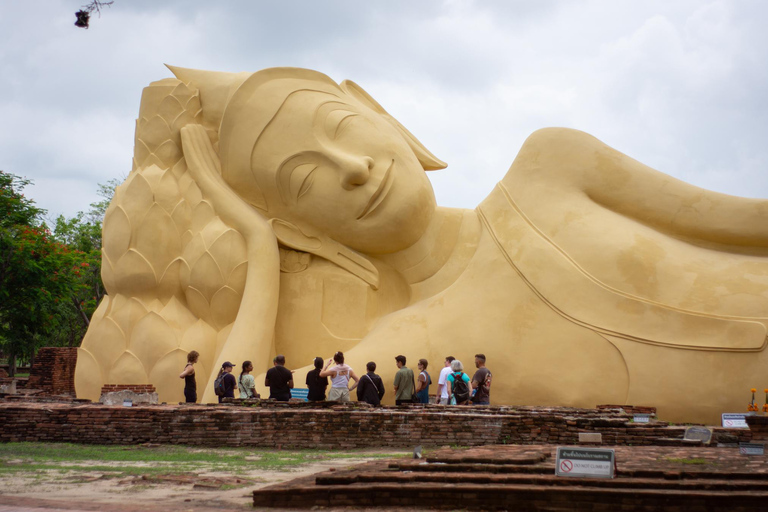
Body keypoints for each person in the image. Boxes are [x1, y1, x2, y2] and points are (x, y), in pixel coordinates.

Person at [77, 65, 768, 424]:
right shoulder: (401, 341)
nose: (351, 169)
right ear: (304, 231)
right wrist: (261, 245)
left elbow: (744, 221)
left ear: (387, 119)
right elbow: (236, 401)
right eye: (304, 177)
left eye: (342, 128)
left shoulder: (555, 166)